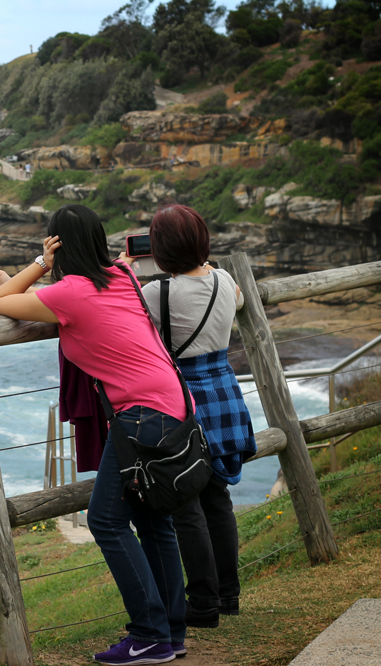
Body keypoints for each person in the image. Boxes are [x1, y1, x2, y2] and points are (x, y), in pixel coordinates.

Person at [0, 204, 188, 665]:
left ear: (58, 245)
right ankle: (170, 634)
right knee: (152, 519)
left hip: (140, 413)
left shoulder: (68, 293)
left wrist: (38, 265)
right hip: (173, 401)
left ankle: (150, 636)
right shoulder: (122, 276)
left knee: (106, 521)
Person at [121, 204, 257, 629]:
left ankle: (202, 603)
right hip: (224, 391)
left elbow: (135, 327)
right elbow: (235, 301)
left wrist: (126, 272)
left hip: (184, 399)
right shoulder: (225, 279)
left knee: (186, 502)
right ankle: (228, 595)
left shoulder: (157, 293)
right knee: (218, 497)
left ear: (159, 250)